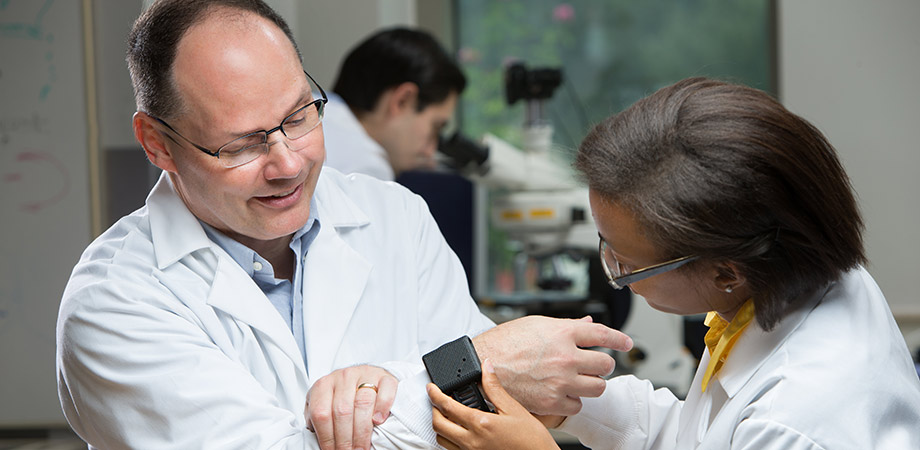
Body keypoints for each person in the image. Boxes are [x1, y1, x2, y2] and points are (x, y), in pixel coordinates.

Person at [54, 1, 633, 449]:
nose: (287, 163)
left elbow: (487, 411)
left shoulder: (393, 218)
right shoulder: (114, 300)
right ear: (158, 144)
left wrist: (441, 381)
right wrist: (462, 370)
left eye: (298, 116)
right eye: (241, 145)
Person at [427, 77, 920, 449]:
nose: (613, 274)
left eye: (625, 264)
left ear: (725, 271)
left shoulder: (795, 420)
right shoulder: (797, 276)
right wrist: (565, 405)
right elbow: (697, 436)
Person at [322, 27, 464, 181]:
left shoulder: (311, 111)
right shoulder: (365, 170)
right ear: (402, 100)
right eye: (435, 128)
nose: (430, 152)